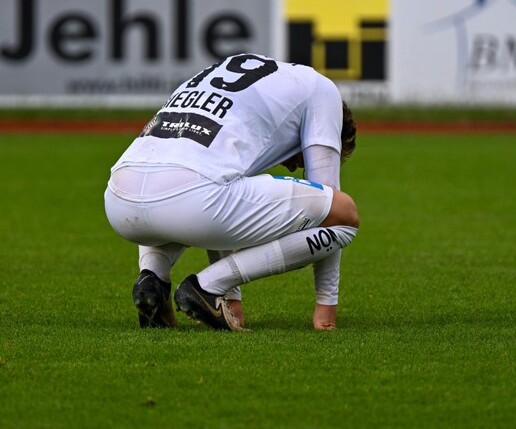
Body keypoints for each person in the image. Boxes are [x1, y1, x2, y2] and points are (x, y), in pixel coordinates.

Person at [104, 53, 359, 332]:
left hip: (119, 198)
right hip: (191, 199)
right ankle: (206, 287)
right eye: (300, 162)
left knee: (205, 186)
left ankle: (153, 278)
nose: (295, 167)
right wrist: (327, 305)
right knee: (343, 214)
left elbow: (222, 178)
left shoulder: (232, 71)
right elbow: (328, 199)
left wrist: (232, 298)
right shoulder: (322, 90)